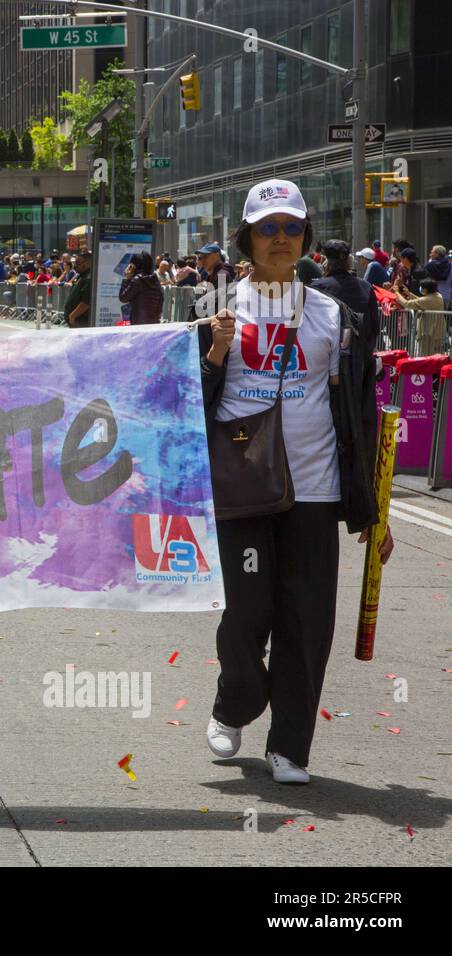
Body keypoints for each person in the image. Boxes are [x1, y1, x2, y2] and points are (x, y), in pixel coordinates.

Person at [199, 179, 392, 786]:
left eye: (290, 228)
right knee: (248, 611)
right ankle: (234, 703)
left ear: (305, 238)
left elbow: (360, 415)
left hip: (315, 486)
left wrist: (371, 509)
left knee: (307, 621)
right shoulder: (217, 312)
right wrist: (214, 357)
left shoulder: (339, 316)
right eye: (267, 228)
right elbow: (183, 406)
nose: (280, 239)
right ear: (247, 239)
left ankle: (291, 748)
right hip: (242, 487)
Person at [393, 277, 448, 357]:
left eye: (422, 287)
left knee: (426, 356)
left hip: (429, 333)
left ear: (426, 289)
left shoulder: (428, 299)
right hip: (437, 331)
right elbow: (422, 301)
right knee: (437, 356)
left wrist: (396, 292)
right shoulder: (437, 296)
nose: (421, 288)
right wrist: (409, 293)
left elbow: (407, 303)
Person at [118, 250, 164, 324]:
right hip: (154, 323)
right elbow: (161, 299)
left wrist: (126, 278)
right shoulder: (155, 279)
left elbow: (123, 298)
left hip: (138, 324)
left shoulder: (137, 280)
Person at [63, 250, 92, 327]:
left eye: (77, 263)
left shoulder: (88, 278)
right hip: (75, 320)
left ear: (87, 263)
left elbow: (86, 302)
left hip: (80, 320)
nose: (75, 266)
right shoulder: (81, 275)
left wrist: (72, 316)